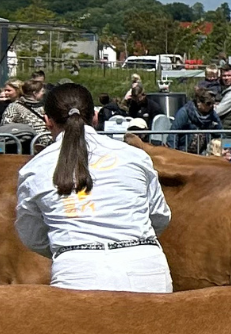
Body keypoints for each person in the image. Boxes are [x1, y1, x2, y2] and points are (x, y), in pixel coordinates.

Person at [14, 82, 172, 292]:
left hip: (78, 271)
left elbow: (31, 235)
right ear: (95, 117)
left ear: (47, 122)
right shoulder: (135, 156)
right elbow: (160, 216)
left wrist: (66, 245)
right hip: (146, 266)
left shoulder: (34, 169)